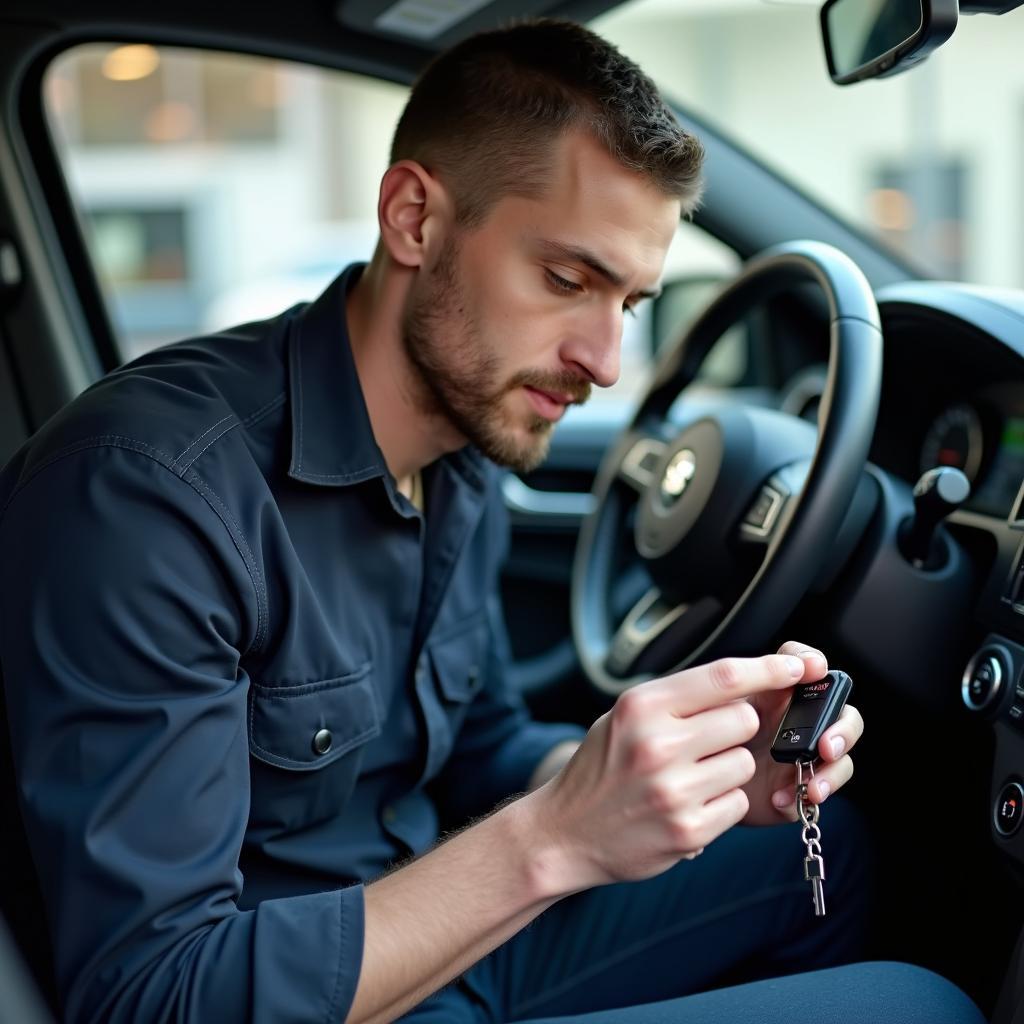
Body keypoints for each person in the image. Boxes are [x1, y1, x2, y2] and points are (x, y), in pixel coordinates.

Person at [0, 17, 987, 1024]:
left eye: (631, 304)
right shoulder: (145, 498)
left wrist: (669, 782)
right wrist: (555, 838)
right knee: (919, 1008)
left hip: (452, 928)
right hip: (308, 990)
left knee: (830, 853)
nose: (604, 361)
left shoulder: (462, 446)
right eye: (567, 280)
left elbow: (479, 749)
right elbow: (155, 998)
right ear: (416, 220)